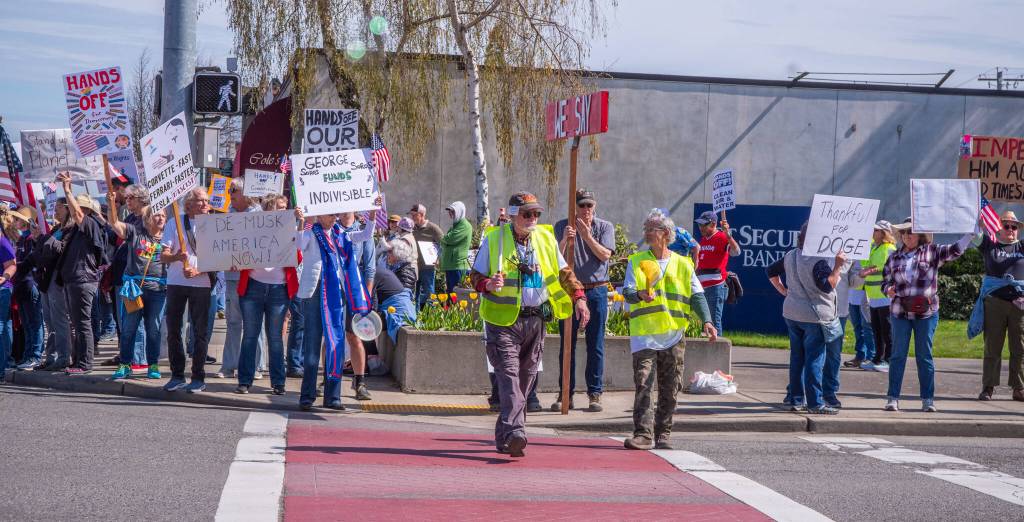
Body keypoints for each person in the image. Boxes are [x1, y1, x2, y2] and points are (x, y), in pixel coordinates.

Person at [470, 192, 589, 457]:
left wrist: (579, 297)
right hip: (503, 322)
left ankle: (505, 436)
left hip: (536, 320)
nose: (533, 218)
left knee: (525, 380)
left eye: (536, 213)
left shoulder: (545, 238)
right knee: (509, 377)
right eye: (527, 214)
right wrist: (487, 284)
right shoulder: (495, 239)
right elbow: (475, 276)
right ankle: (516, 432)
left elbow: (563, 273)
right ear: (513, 215)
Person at [621, 209, 717, 450]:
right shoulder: (637, 261)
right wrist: (640, 294)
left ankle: (663, 433)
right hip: (645, 336)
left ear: (665, 234)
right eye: (645, 229)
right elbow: (629, 293)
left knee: (670, 387)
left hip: (674, 335)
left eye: (650, 229)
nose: (646, 233)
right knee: (644, 384)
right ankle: (643, 434)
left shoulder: (683, 264)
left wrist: (707, 321)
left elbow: (697, 296)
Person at [882, 218, 972, 412]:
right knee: (897, 355)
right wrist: (887, 289)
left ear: (920, 235)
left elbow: (955, 250)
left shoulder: (932, 251)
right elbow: (885, 282)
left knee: (924, 356)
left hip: (926, 313)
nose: (907, 235)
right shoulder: (893, 257)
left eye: (911, 231)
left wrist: (971, 233)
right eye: (904, 232)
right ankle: (892, 397)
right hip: (900, 312)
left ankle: (928, 399)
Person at [297, 200, 379, 410]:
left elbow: (365, 235)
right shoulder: (310, 233)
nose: (334, 218)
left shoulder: (341, 234)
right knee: (313, 344)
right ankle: (307, 396)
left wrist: (371, 213)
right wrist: (300, 221)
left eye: (335, 215)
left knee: (336, 342)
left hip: (336, 293)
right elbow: (297, 244)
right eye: (330, 215)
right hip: (315, 292)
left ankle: (333, 397)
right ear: (319, 215)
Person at [767, 222, 847, 415]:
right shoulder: (817, 261)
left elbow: (771, 271)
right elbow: (828, 286)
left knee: (797, 358)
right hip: (814, 317)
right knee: (814, 359)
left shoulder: (790, 255)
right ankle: (815, 403)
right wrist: (837, 266)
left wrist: (784, 291)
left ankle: (795, 399)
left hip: (792, 313)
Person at [552, 189, 616, 412]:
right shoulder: (562, 226)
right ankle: (565, 393)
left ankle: (594, 393)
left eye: (589, 206)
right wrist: (564, 242)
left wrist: (587, 236)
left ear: (594, 206)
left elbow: (605, 255)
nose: (586, 210)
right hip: (570, 290)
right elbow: (553, 258)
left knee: (595, 344)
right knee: (566, 344)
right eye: (582, 206)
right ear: (574, 208)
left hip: (595, 289)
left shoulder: (604, 227)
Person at [235, 198, 302, 395]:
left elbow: (298, 258)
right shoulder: (253, 228)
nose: (284, 210)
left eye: (285, 208)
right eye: (280, 208)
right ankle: (244, 381)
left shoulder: (290, 230)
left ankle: (278, 383)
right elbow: (238, 251)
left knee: (275, 337)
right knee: (249, 335)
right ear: (268, 210)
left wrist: (298, 226)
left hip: (279, 290)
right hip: (252, 287)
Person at [106, 193, 167, 380]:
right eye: (157, 215)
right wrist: (111, 204)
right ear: (148, 217)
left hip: (158, 291)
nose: (161, 218)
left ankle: (153, 364)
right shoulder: (135, 233)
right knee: (129, 328)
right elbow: (115, 224)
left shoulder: (170, 237)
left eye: (164, 216)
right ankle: (125, 364)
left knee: (153, 329)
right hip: (134, 289)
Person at [160, 188, 215, 393]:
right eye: (201, 201)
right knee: (174, 330)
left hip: (202, 285)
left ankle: (198, 376)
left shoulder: (214, 225)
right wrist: (177, 258)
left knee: (200, 332)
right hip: (176, 283)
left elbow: (220, 258)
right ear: (188, 204)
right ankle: (176, 375)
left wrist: (198, 270)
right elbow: (163, 256)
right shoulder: (174, 223)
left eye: (207, 201)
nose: (205, 204)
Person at [968, 211, 1024, 402]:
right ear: (998, 228)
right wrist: (979, 225)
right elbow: (973, 235)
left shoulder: (1022, 246)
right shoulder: (989, 246)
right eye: (1006, 225)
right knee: (992, 347)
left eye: (1013, 226)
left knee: (1020, 348)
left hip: (1020, 304)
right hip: (995, 303)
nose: (1010, 229)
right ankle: (988, 387)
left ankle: (1019, 388)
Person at [56, 172, 108, 375]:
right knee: (77, 322)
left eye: (75, 206)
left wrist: (67, 189)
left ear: (84, 209)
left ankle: (85, 363)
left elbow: (77, 215)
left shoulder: (90, 223)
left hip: (83, 279)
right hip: (74, 279)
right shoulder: (78, 229)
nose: (71, 209)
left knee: (82, 322)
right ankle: (78, 361)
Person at [216, 178, 267, 380]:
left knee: (254, 323)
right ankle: (229, 366)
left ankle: (256, 366)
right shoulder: (227, 216)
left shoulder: (259, 215)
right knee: (233, 322)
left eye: (234, 191)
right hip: (232, 277)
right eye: (229, 191)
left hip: (255, 277)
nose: (230, 194)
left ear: (246, 194)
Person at [338, 210, 377, 400]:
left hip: (355, 289)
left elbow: (370, 266)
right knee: (331, 335)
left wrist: (366, 297)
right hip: (334, 287)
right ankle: (328, 378)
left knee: (354, 336)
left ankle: (359, 381)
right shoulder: (331, 227)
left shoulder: (362, 230)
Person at [34, 198, 72, 372]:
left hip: (58, 279)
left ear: (67, 209)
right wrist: (39, 238)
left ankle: (64, 356)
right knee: (49, 321)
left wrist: (47, 238)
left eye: (58, 208)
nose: (54, 211)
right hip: (46, 278)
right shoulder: (56, 228)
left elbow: (62, 250)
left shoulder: (71, 229)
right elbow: (44, 251)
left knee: (60, 320)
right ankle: (51, 357)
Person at [695, 210, 740, 334]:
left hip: (716, 287)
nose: (700, 227)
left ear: (714, 224)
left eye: (704, 224)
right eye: (699, 224)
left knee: (714, 320)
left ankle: (718, 349)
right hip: (701, 287)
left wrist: (728, 235)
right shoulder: (703, 239)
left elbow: (736, 252)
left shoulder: (722, 237)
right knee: (705, 321)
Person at [860, 221, 897, 372]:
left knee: (886, 330)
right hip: (873, 296)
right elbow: (864, 264)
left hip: (885, 296)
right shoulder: (872, 247)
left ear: (883, 233)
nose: (872, 232)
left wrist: (871, 270)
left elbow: (893, 270)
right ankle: (877, 358)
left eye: (875, 230)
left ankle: (889, 361)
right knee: (876, 329)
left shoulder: (890, 249)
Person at [10, 207, 44, 371]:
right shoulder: (21, 240)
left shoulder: (31, 239)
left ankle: (35, 356)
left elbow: (32, 260)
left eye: (17, 219)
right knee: (27, 323)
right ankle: (27, 355)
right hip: (21, 285)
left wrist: (14, 266)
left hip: (30, 284)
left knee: (34, 322)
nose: (14, 222)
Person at [409, 203, 443, 309]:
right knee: (415, 295)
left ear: (422, 214)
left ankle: (433, 318)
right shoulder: (412, 228)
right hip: (414, 267)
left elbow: (444, 244)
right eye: (411, 215)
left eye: (415, 215)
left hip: (427, 267)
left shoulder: (433, 228)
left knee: (429, 294)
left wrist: (439, 258)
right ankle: (416, 318)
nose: (412, 217)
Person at [843, 262, 875, 369]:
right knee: (857, 327)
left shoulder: (872, 248)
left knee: (867, 328)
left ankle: (871, 357)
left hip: (867, 293)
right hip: (853, 293)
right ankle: (860, 356)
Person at [0, 207, 19, 380]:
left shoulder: (2, 241)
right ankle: (5, 362)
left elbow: (12, 264)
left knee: (1, 326)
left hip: (3, 289)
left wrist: (3, 278)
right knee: (4, 326)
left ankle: (3, 365)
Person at [440, 201, 471, 293]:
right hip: (451, 265)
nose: (450, 214)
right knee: (450, 294)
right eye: (450, 211)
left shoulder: (465, 226)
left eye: (453, 211)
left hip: (458, 265)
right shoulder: (455, 226)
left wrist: (445, 240)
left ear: (460, 212)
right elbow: (445, 240)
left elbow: (449, 239)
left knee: (456, 294)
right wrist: (445, 240)